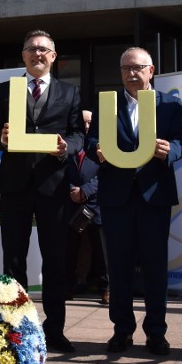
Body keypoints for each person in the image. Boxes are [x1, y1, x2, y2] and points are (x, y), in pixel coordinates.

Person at [0, 29, 85, 353]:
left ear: (54, 57)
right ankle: (16, 328)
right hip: (15, 186)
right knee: (13, 260)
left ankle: (54, 329)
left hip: (53, 186)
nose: (37, 53)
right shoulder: (6, 90)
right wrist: (1, 138)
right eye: (31, 48)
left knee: (55, 261)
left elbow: (78, 136)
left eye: (44, 49)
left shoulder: (69, 93)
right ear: (23, 55)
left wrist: (64, 148)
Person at [86, 48, 182, 355]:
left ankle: (156, 332)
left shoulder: (169, 105)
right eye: (126, 69)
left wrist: (170, 149)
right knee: (119, 269)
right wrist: (97, 151)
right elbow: (92, 143)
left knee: (156, 268)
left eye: (138, 68)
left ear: (151, 70)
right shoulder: (108, 104)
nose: (131, 74)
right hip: (116, 198)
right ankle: (122, 330)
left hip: (154, 196)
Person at [66, 110, 108, 305]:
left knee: (102, 249)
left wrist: (85, 190)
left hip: (97, 204)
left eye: (91, 121)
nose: (87, 125)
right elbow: (61, 171)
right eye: (84, 122)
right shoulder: (70, 144)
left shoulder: (102, 145)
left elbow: (106, 174)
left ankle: (107, 287)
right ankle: (75, 283)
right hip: (74, 205)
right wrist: (72, 190)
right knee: (75, 247)